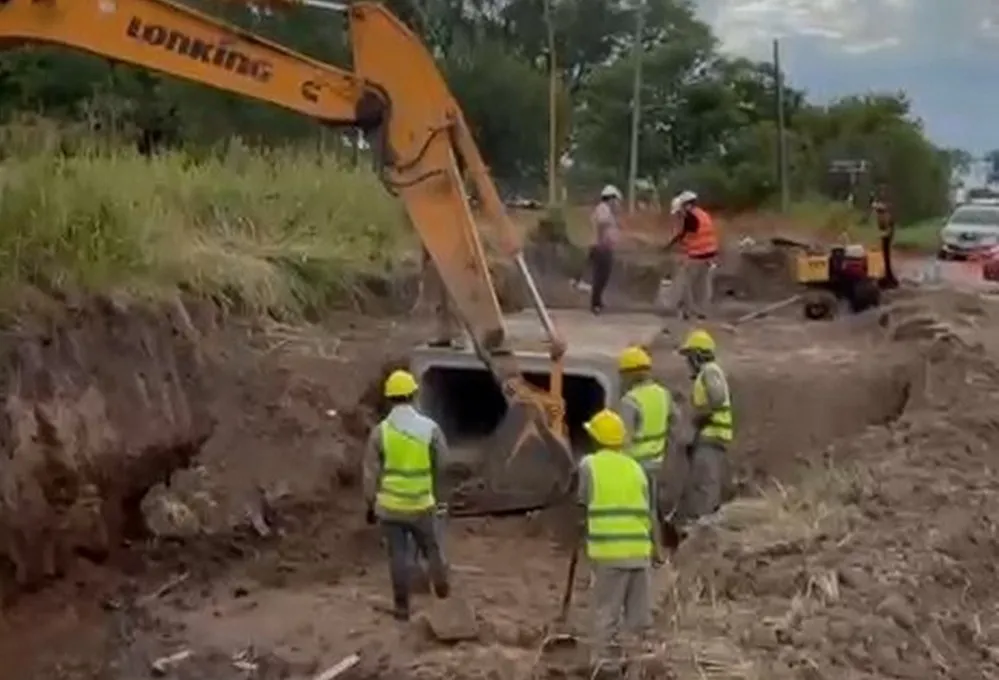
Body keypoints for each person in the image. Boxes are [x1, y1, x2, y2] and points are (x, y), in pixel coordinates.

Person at [363, 369, 450, 621]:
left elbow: (370, 474)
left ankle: (402, 608)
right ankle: (444, 595)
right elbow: (443, 464)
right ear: (414, 394)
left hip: (390, 508)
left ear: (389, 399)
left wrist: (371, 504)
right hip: (422, 505)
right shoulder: (430, 429)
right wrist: (439, 494)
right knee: (432, 550)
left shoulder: (380, 432)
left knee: (398, 557)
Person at [575, 408, 656, 667]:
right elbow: (649, 510)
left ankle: (606, 667)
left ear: (596, 439)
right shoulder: (636, 467)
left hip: (610, 552)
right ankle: (638, 664)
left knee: (607, 612)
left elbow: (582, 501)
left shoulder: (589, 464)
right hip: (640, 552)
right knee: (638, 617)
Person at [617, 345, 676, 555]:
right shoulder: (663, 394)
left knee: (636, 511)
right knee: (651, 508)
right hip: (656, 462)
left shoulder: (630, 401)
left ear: (631, 374)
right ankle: (657, 551)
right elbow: (674, 423)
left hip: (635, 465)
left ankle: (644, 551)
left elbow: (622, 439)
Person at [676, 329, 732, 524]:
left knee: (706, 484)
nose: (687, 362)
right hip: (708, 436)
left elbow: (716, 399)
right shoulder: (706, 375)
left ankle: (705, 525)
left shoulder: (710, 372)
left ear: (698, 355)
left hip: (711, 436)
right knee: (701, 482)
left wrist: (698, 419)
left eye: (690, 357)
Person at [664, 190, 719, 320]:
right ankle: (702, 311)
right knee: (702, 285)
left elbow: (683, 235)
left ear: (687, 205)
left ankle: (687, 311)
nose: (681, 211)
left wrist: (668, 246)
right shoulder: (702, 214)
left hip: (697, 255)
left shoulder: (690, 217)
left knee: (685, 283)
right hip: (709, 254)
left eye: (682, 208)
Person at [575, 184, 623, 315]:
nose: (617, 204)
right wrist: (602, 241)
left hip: (603, 246)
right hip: (602, 247)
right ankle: (595, 303)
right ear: (611, 198)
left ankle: (597, 301)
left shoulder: (606, 210)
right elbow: (601, 225)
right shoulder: (603, 209)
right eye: (616, 200)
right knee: (601, 276)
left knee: (602, 276)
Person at [871, 196, 899, 289]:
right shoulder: (883, 216)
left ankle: (888, 279)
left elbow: (887, 229)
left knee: (885, 258)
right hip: (885, 237)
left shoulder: (886, 216)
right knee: (884, 259)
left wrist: (883, 235)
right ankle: (887, 278)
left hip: (886, 237)